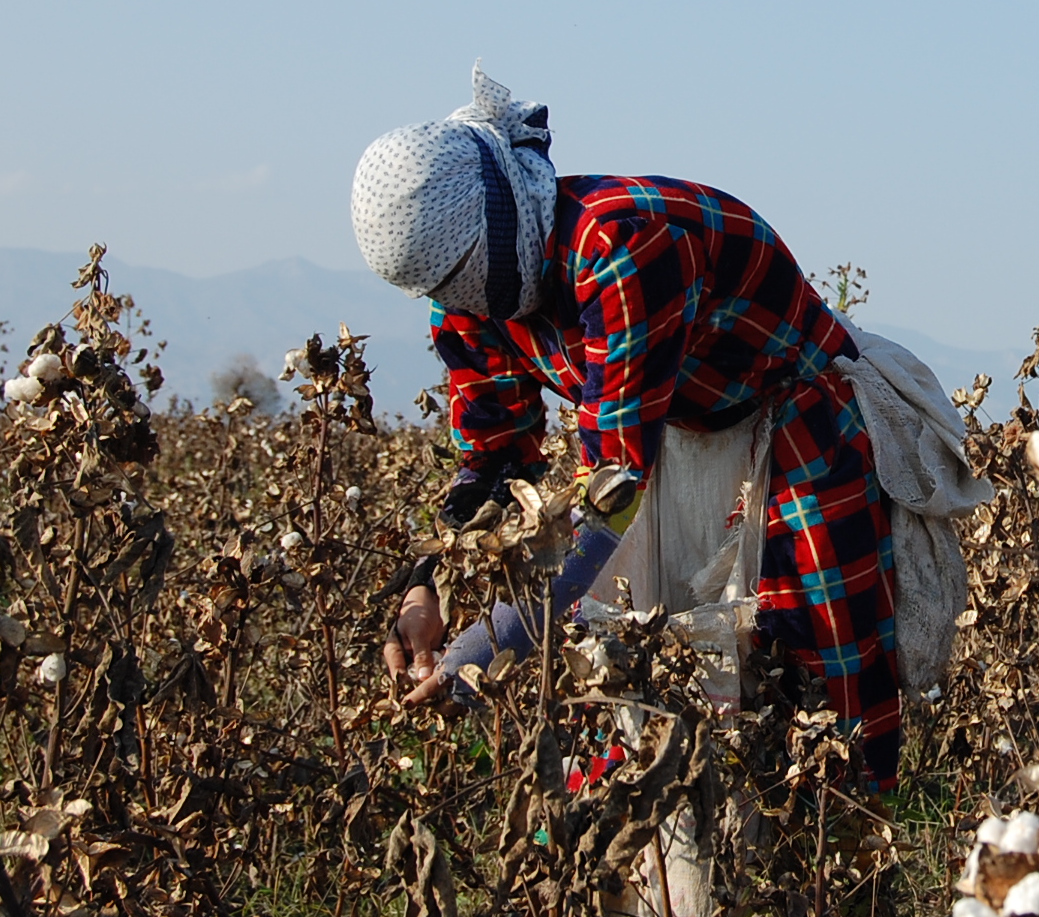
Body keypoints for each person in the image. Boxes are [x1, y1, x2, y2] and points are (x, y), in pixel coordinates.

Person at [353, 64, 903, 791]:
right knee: (632, 660)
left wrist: (489, 646)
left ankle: (843, 864)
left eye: (464, 277)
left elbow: (609, 492)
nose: (464, 304)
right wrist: (424, 592)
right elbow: (491, 459)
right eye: (443, 290)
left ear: (499, 213)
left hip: (793, 412)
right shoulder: (466, 302)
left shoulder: (621, 245)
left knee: (818, 666)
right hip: (668, 432)